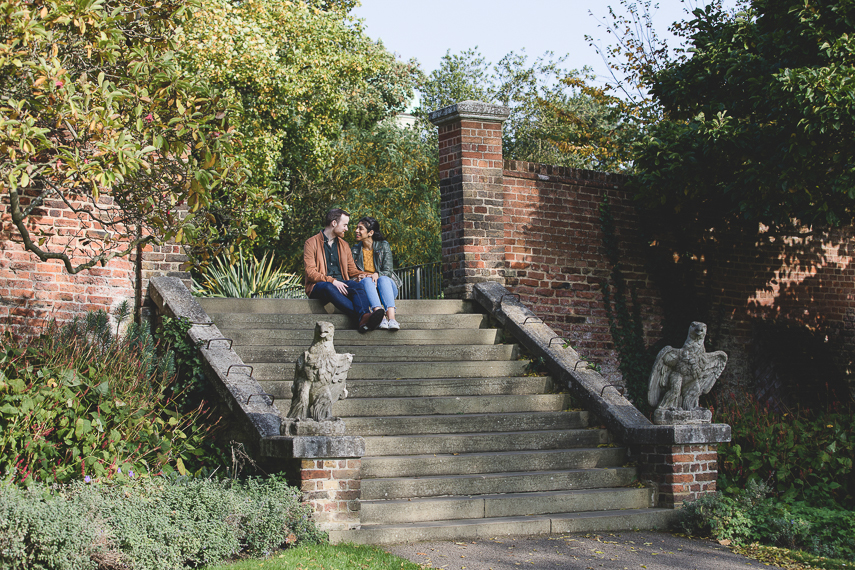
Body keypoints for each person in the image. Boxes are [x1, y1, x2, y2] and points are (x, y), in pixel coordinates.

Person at [304, 208, 385, 332]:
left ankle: (364, 318)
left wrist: (370, 274)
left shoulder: (344, 245)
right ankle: (364, 316)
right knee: (328, 287)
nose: (347, 229)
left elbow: (352, 271)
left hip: (341, 283)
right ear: (334, 223)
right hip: (319, 286)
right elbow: (310, 273)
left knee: (356, 286)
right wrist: (332, 281)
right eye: (345, 225)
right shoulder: (311, 243)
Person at [351, 216, 402, 330]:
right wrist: (358, 277)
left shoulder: (383, 245)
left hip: (386, 287)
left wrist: (377, 274)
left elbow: (388, 271)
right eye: (357, 228)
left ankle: (392, 319)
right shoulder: (354, 250)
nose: (356, 231)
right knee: (366, 280)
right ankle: (381, 317)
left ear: (371, 232)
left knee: (382, 278)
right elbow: (352, 273)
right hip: (368, 288)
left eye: (360, 228)